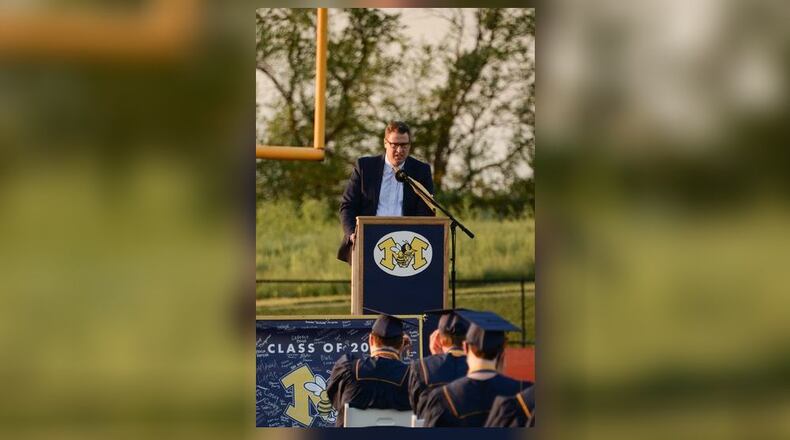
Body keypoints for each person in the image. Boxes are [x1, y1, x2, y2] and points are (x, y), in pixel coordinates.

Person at [337, 121, 435, 263]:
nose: (399, 150)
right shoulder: (365, 167)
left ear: (409, 146)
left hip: (405, 244)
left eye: (404, 145)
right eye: (394, 145)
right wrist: (352, 233)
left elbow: (426, 211)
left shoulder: (421, 171)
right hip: (366, 241)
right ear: (385, 143)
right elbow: (347, 205)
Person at [421, 311, 533, 427]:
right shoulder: (523, 395)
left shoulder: (443, 397)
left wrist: (437, 359)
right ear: (503, 349)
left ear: (465, 347)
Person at [325, 314, 412, 427]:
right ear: (402, 344)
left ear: (371, 339)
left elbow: (337, 401)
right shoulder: (412, 377)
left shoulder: (348, 368)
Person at [407, 309, 469, 419]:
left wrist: (436, 359)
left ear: (438, 339)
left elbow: (417, 409)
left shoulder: (421, 367)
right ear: (469, 338)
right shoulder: (477, 370)